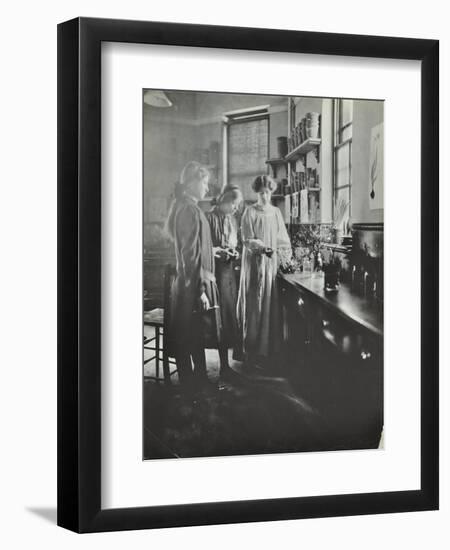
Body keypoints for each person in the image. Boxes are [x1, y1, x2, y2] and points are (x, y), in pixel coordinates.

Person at [165, 161, 222, 391]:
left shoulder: (189, 207)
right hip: (190, 285)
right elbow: (189, 254)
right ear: (192, 183)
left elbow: (196, 248)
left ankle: (199, 381)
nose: (207, 188)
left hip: (191, 282)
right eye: (205, 182)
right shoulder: (188, 210)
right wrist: (199, 291)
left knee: (193, 333)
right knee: (189, 335)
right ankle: (192, 387)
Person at [237, 174, 292, 368]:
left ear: (272, 192)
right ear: (256, 193)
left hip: (271, 264)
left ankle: (267, 350)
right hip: (254, 264)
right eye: (261, 193)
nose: (265, 196)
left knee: (269, 302)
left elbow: (282, 238)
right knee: (255, 304)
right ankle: (251, 350)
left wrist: (285, 257)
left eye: (268, 192)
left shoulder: (276, 212)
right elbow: (246, 238)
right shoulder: (249, 212)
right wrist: (262, 248)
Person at [206, 185, 243, 375]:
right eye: (233, 204)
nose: (235, 209)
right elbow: (205, 249)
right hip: (215, 273)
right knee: (216, 318)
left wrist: (233, 252)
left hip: (228, 273)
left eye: (237, 206)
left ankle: (225, 366)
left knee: (229, 318)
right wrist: (218, 252)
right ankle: (217, 366)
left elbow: (233, 243)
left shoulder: (232, 219)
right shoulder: (209, 218)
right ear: (224, 200)